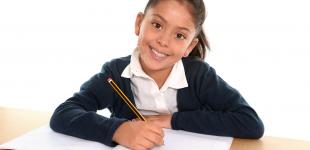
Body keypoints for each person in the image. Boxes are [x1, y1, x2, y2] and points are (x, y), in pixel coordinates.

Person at [50, 0, 264, 149]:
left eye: (179, 35)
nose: (164, 41)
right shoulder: (115, 74)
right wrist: (118, 130)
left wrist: (172, 121)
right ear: (138, 23)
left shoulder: (199, 76)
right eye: (157, 25)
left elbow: (250, 123)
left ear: (190, 46)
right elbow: (63, 114)